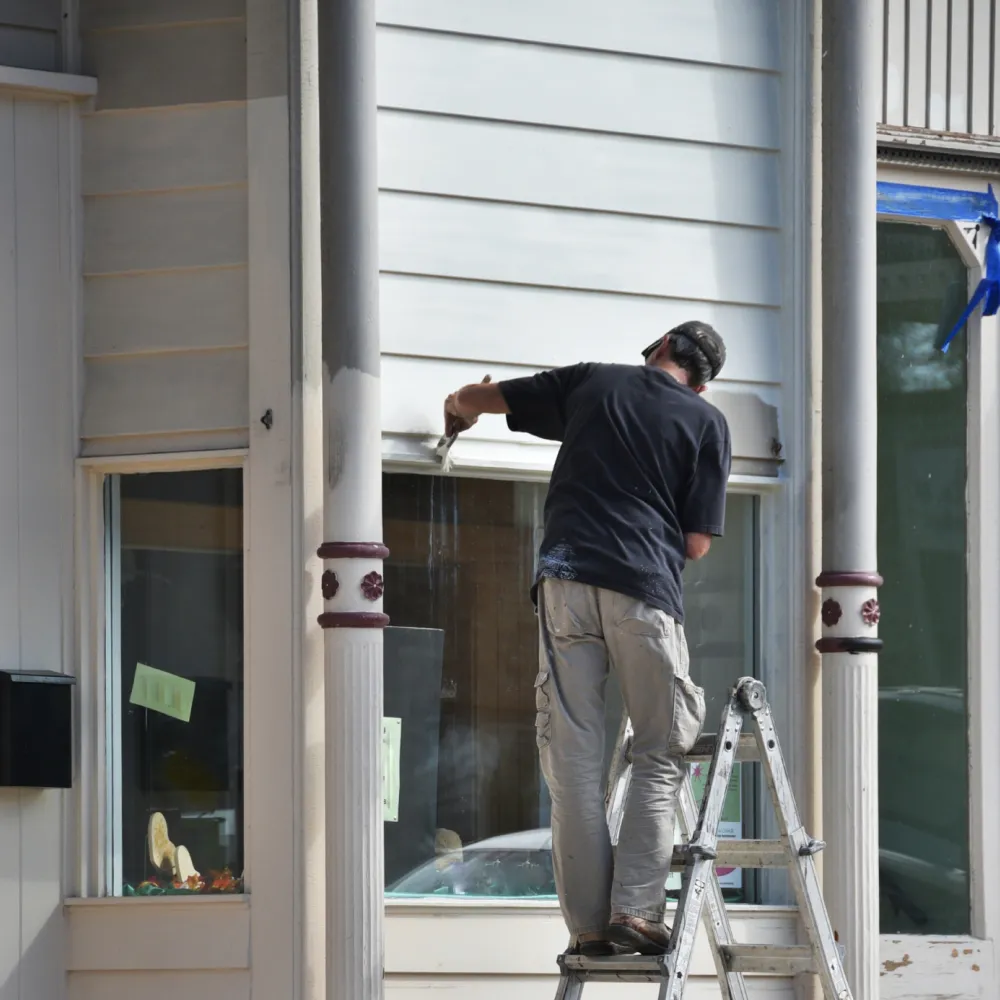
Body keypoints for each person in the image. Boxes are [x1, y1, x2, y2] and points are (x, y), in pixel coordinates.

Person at [442, 321, 732, 957]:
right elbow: (696, 543)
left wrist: (459, 407)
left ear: (656, 349)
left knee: (573, 765)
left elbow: (484, 400)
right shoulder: (706, 424)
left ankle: (590, 929)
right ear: (703, 383)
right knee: (659, 752)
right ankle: (636, 910)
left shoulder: (594, 383)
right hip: (645, 594)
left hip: (565, 584)